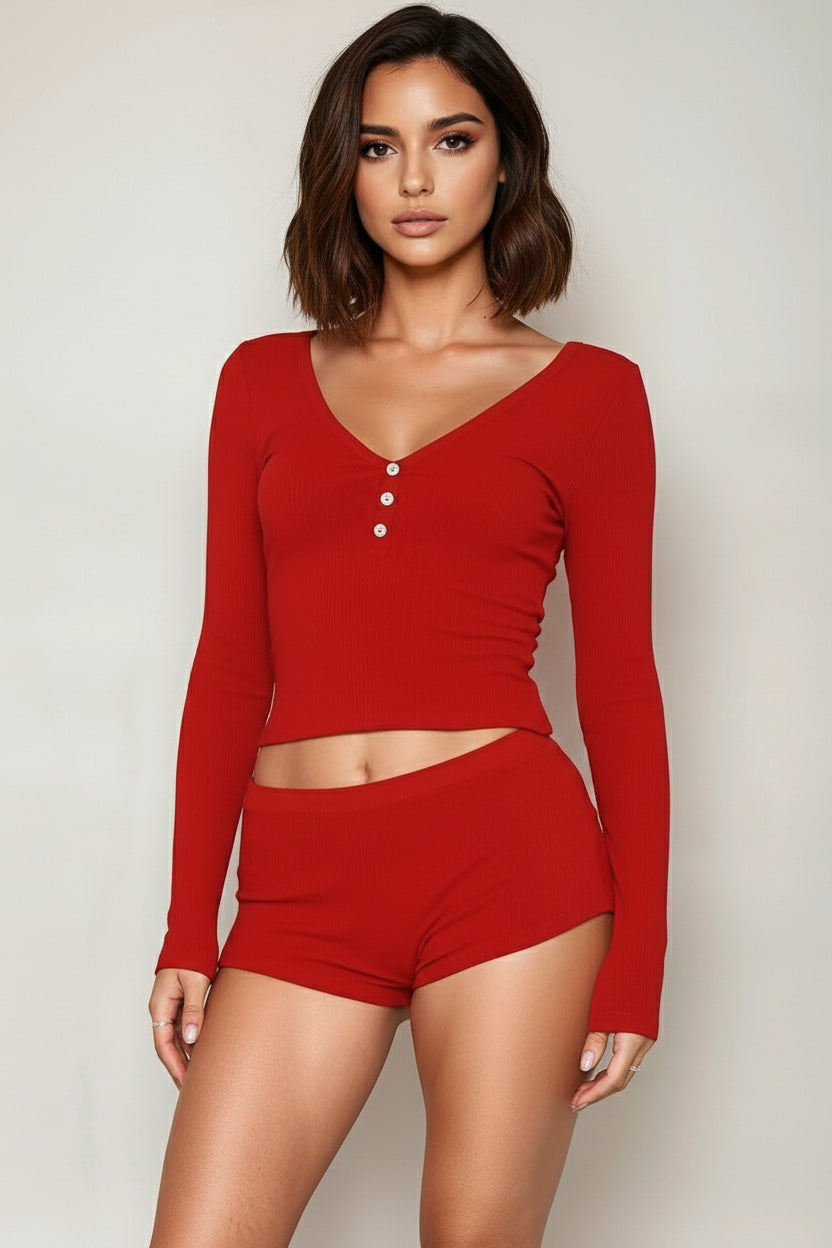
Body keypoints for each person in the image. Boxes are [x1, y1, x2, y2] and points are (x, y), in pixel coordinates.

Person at [147, 5, 670, 1246]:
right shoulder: (259, 381)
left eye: (453, 139)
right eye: (379, 147)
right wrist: (187, 924)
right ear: (344, 170)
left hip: (507, 871)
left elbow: (619, 689)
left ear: (508, 161)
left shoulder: (593, 395)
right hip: (299, 889)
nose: (416, 179)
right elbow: (231, 667)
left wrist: (639, 960)